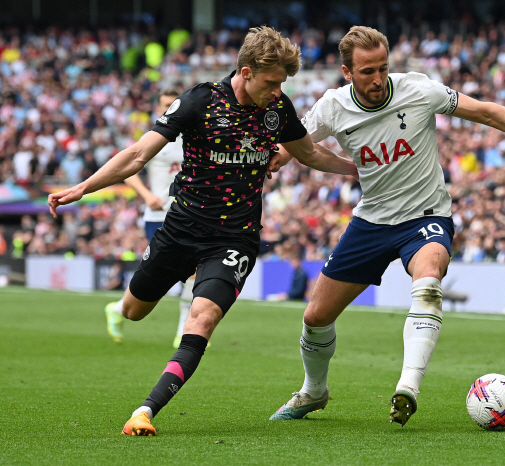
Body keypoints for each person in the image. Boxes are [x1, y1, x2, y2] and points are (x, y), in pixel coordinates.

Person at [269, 26, 505, 426]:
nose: (378, 79)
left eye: (383, 68)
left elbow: (485, 111)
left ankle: (408, 387)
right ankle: (314, 391)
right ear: (348, 72)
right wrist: (278, 155)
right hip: (371, 220)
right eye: (367, 71)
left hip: (425, 216)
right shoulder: (332, 107)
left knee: (429, 277)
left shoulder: (418, 90)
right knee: (316, 317)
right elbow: (297, 142)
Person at [48, 26, 357, 437]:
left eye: (282, 83)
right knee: (134, 310)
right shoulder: (200, 100)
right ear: (246, 72)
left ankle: (145, 410)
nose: (277, 91)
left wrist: (361, 169)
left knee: (202, 318)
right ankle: (121, 304)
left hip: (235, 238)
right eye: (271, 82)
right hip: (179, 229)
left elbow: (311, 153)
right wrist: (83, 188)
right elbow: (139, 154)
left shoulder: (277, 109)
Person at [103, 88, 197, 349]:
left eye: (173, 104)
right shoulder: (156, 137)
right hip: (158, 216)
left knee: (194, 273)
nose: (169, 109)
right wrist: (146, 197)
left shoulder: (193, 135)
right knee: (159, 278)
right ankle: (118, 307)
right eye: (165, 105)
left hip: (188, 214)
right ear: (158, 108)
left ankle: (183, 332)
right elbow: (129, 169)